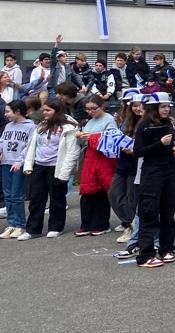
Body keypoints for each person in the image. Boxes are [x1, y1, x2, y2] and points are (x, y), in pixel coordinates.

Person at [21, 98, 80, 239]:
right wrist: (28, 165)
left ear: (57, 111)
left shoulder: (68, 128)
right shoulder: (41, 125)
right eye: (44, 109)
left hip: (56, 167)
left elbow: (72, 152)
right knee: (36, 198)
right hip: (40, 166)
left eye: (48, 110)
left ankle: (56, 226)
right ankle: (33, 229)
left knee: (57, 198)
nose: (44, 112)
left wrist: (64, 174)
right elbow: (33, 147)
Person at [133, 92, 175, 267]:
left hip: (168, 171)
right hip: (151, 172)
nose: (167, 109)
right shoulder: (144, 125)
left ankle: (167, 249)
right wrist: (160, 144)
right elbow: (138, 152)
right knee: (149, 212)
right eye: (163, 106)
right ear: (154, 108)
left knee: (168, 211)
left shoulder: (169, 123)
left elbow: (174, 142)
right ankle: (145, 255)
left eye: (168, 106)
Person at [74, 95, 116, 236]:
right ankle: (86, 223)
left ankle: (101, 224)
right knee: (87, 191)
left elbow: (111, 140)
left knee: (101, 192)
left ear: (101, 106)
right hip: (90, 158)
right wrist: (81, 137)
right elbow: (83, 143)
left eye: (94, 109)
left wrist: (90, 137)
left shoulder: (109, 120)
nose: (91, 112)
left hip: (103, 159)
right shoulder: (90, 122)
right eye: (88, 109)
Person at [110, 92, 145, 257]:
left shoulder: (148, 122)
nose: (137, 108)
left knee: (132, 198)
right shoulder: (126, 121)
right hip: (123, 163)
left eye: (140, 105)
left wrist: (135, 150)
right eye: (134, 105)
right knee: (114, 194)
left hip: (136, 165)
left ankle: (132, 228)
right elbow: (121, 137)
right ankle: (131, 222)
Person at [0, 99, 34, 239]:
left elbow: (29, 146)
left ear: (18, 111)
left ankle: (19, 224)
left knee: (16, 195)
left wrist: (20, 161)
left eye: (8, 111)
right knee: (7, 195)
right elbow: (2, 141)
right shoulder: (8, 126)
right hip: (5, 162)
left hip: (18, 164)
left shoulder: (30, 127)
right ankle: (12, 224)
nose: (6, 114)